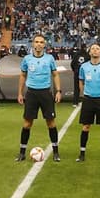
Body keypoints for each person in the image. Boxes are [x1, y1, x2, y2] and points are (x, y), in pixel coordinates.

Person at [16, 34, 62, 163]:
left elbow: (55, 74)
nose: (39, 44)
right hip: (31, 94)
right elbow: (22, 76)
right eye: (36, 41)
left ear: (44, 45)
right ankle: (22, 153)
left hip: (46, 93)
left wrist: (58, 91)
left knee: (51, 123)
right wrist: (20, 93)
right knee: (27, 123)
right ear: (32, 43)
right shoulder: (26, 59)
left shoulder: (49, 59)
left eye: (41, 42)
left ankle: (56, 152)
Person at [69, 43, 84, 107]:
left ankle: (75, 102)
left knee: (76, 88)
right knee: (87, 88)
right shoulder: (87, 55)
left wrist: (75, 70)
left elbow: (72, 64)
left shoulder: (76, 54)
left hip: (77, 73)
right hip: (85, 74)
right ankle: (86, 101)